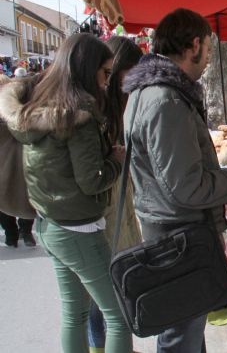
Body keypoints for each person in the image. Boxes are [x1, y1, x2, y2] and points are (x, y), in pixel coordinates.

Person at [122, 8, 227, 353]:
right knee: (180, 338)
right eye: (208, 49)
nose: (208, 58)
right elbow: (187, 187)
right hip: (179, 237)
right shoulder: (165, 100)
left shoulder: (148, 93)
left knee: (183, 332)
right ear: (194, 45)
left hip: (169, 228)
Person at [0, 33, 132, 353]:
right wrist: (115, 160)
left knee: (75, 314)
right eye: (104, 72)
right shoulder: (79, 115)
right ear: (87, 70)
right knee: (117, 316)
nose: (106, 81)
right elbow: (92, 181)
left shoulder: (40, 108)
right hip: (78, 230)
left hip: (50, 224)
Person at [87, 36, 144, 353]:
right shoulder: (96, 112)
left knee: (111, 298)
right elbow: (95, 174)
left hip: (119, 212)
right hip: (102, 216)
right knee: (102, 302)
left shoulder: (120, 105)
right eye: (128, 72)